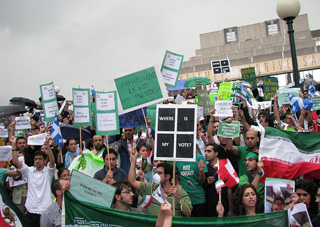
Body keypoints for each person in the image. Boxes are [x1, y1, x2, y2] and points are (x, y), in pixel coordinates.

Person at [128, 147, 192, 216]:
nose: (156, 175)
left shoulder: (180, 192)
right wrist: (133, 160)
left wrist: (178, 198)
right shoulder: (152, 188)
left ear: (167, 176)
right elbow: (132, 181)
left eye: (160, 173)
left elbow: (188, 214)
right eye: (156, 172)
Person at [12, 134, 56, 227]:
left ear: (44, 161)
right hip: (31, 209)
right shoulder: (29, 171)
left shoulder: (48, 172)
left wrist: (47, 145)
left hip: (45, 209)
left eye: (40, 159)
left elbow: (52, 161)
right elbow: (16, 162)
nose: (37, 161)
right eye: (36, 159)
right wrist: (13, 145)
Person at [176, 152, 207, 217]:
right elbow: (176, 179)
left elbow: (202, 181)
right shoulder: (177, 159)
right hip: (184, 199)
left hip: (198, 199)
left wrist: (201, 171)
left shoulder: (199, 158)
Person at [204, 143, 232, 217]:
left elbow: (229, 190)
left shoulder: (224, 167)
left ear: (216, 153)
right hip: (208, 206)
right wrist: (207, 182)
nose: (206, 153)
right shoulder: (204, 168)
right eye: (205, 151)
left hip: (223, 204)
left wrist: (230, 209)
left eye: (209, 151)